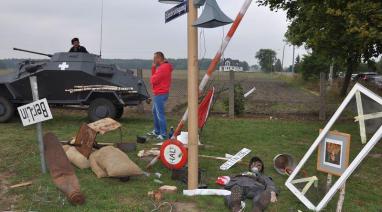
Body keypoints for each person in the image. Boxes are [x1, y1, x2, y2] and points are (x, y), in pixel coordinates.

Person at [147, 52, 173, 140]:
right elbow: (155, 78)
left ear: (159, 58)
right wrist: (154, 68)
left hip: (160, 93)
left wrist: (154, 70)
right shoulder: (165, 67)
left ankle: (163, 134)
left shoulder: (163, 68)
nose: (153, 60)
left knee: (159, 114)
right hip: (161, 93)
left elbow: (153, 80)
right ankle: (157, 131)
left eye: (154, 58)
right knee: (155, 112)